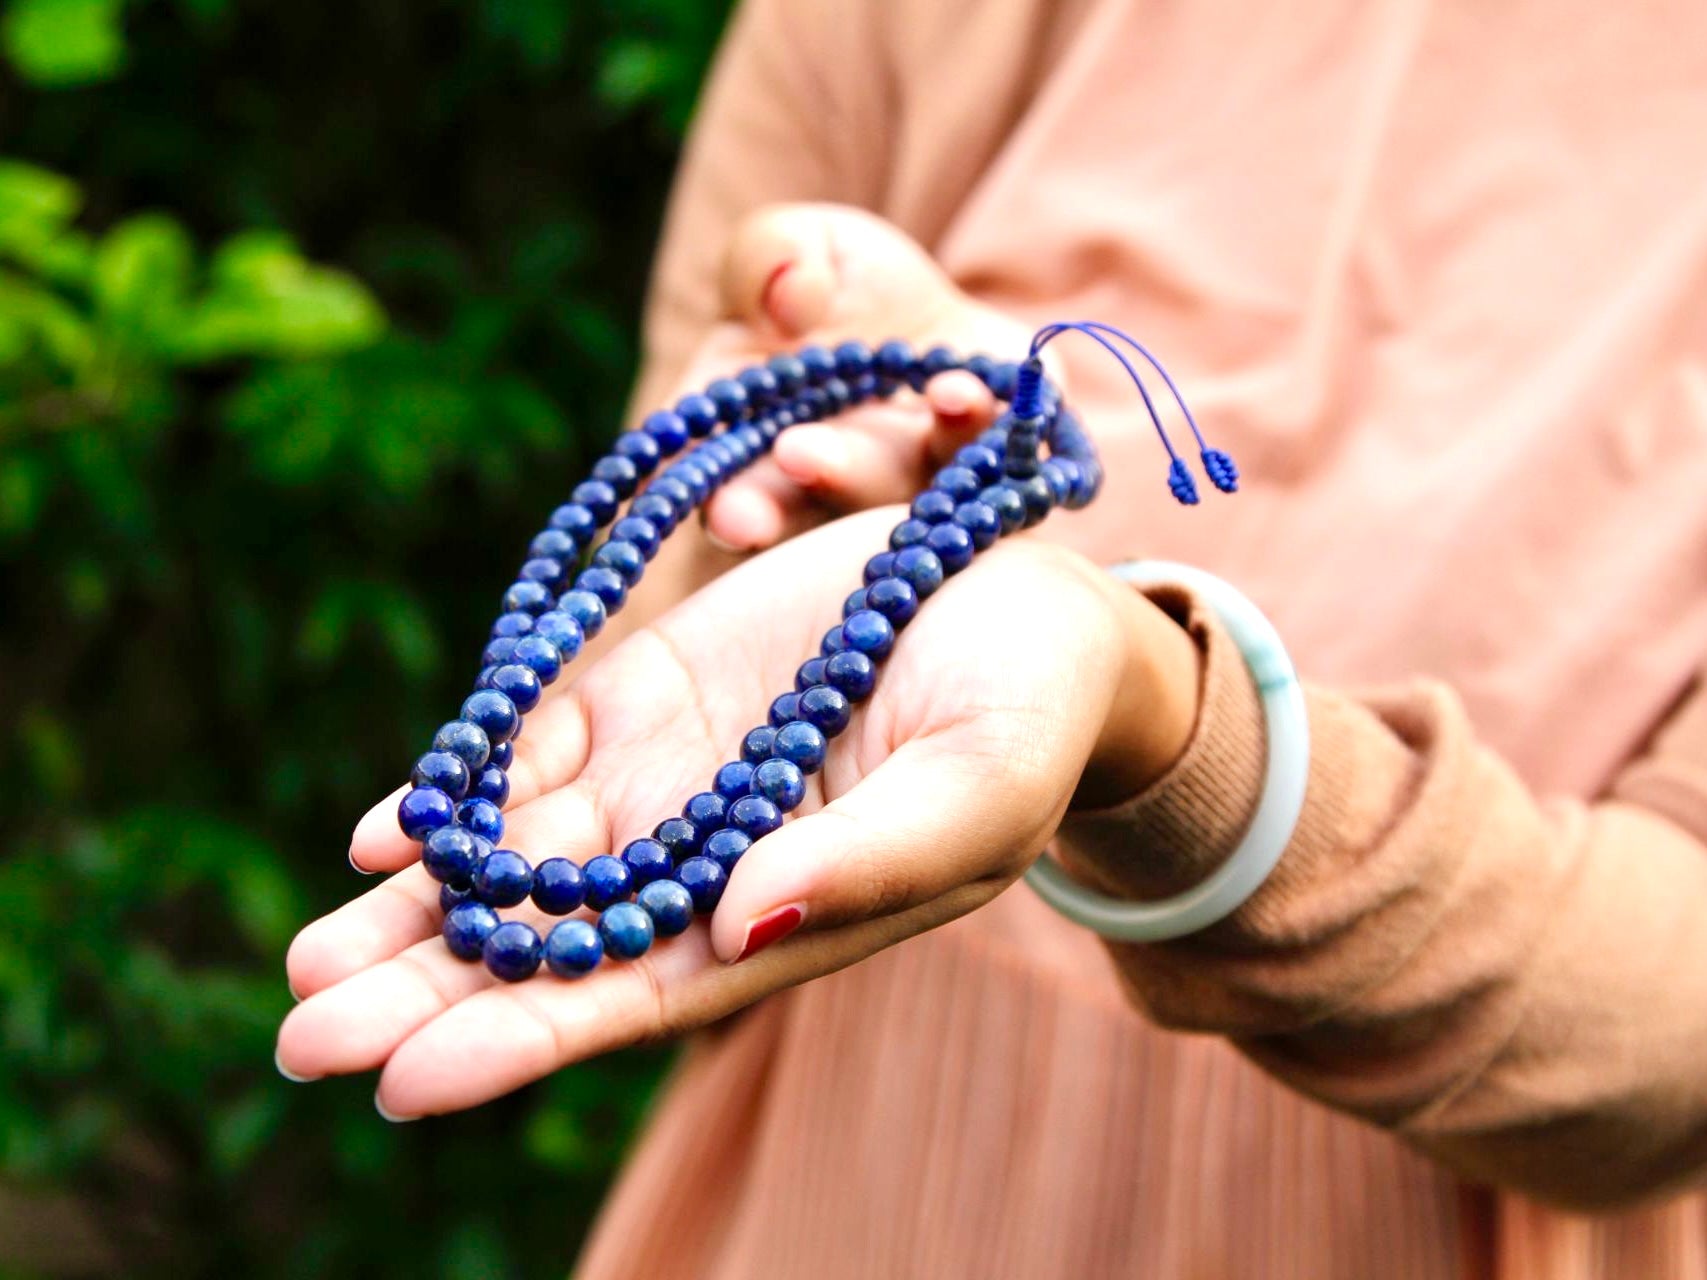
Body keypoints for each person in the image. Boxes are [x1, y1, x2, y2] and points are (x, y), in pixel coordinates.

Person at [276, 0, 1707, 1274]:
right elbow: (617, 669)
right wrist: (776, 530)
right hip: (851, 1191)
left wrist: (1163, 721)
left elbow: (1674, 1030)